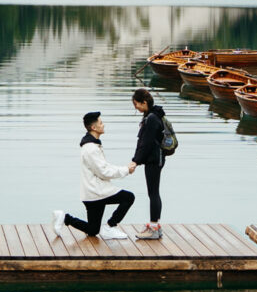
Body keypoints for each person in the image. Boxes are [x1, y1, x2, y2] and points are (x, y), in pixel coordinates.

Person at [53, 109, 138, 240]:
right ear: (93, 127)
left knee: (93, 230)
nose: (103, 125)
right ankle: (110, 226)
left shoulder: (92, 145)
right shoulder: (91, 148)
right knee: (128, 197)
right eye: (101, 123)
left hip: (91, 194)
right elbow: (104, 172)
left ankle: (65, 218)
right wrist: (126, 170)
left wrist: (124, 168)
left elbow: (104, 167)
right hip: (98, 192)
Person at [129, 86, 170, 239]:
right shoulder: (152, 115)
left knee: (153, 193)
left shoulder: (152, 118)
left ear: (144, 102)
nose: (136, 108)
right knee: (153, 192)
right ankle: (156, 226)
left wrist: (135, 161)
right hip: (155, 159)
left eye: (137, 104)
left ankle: (153, 227)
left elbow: (145, 143)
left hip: (154, 159)